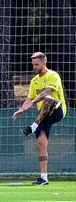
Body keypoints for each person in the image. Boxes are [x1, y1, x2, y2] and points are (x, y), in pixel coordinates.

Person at [12, 52, 67, 186]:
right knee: (41, 144)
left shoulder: (53, 75)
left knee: (47, 98)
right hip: (43, 115)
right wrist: (22, 109)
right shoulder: (34, 81)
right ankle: (43, 178)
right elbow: (29, 99)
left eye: (36, 64)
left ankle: (33, 127)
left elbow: (45, 93)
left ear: (44, 62)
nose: (34, 66)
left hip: (57, 110)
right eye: (33, 64)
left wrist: (33, 103)